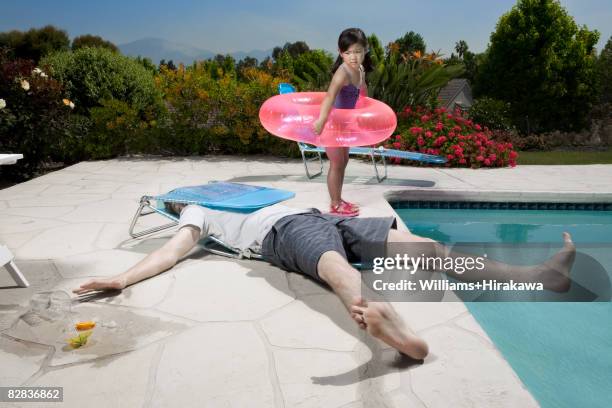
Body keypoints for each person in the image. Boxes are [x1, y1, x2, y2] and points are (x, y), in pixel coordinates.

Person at [73, 202, 576, 360]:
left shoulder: (241, 194)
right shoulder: (200, 213)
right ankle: (382, 315)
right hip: (286, 231)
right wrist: (124, 276)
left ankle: (537, 274)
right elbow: (173, 248)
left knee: (428, 251)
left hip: (323, 216)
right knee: (333, 266)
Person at [313, 28, 373, 217]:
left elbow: (362, 90)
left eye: (357, 51)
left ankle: (339, 198)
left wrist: (365, 111)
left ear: (365, 50)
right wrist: (322, 119)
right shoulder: (343, 72)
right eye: (348, 53)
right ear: (341, 53)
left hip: (345, 124)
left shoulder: (360, 70)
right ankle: (335, 204)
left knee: (344, 160)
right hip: (333, 123)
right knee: (336, 163)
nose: (353, 57)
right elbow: (330, 96)